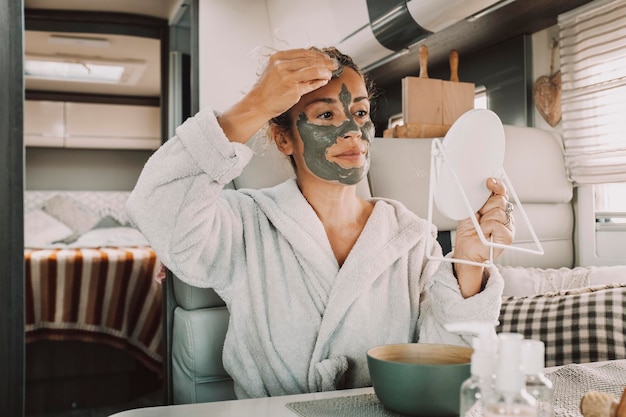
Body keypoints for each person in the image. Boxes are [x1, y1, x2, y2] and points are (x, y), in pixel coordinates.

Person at [126, 47, 515, 399]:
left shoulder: (412, 238)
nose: (352, 131)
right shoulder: (245, 225)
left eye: (360, 113)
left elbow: (441, 367)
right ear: (283, 139)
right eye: (326, 114)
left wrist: (468, 262)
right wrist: (256, 104)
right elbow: (157, 205)